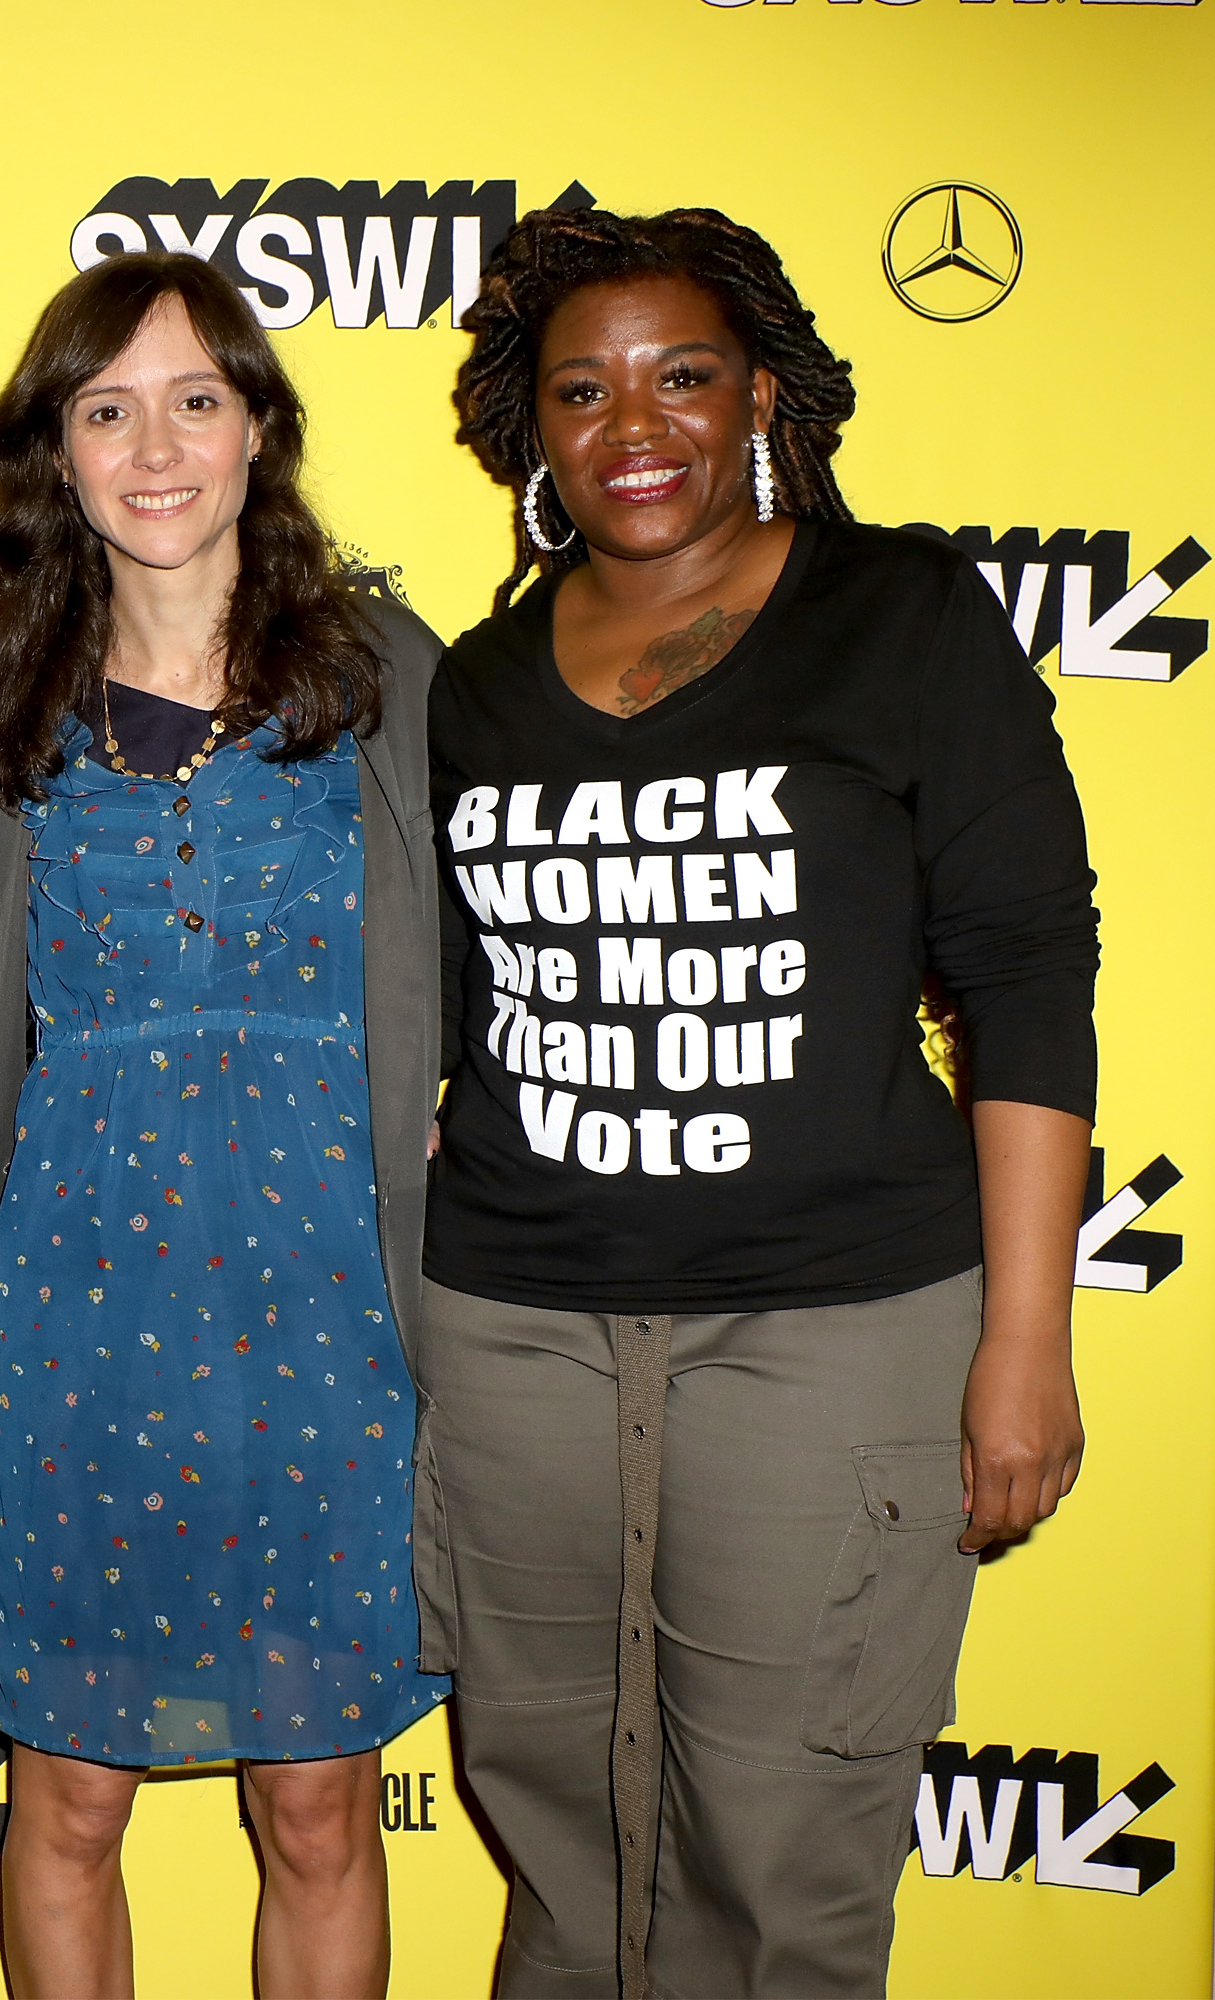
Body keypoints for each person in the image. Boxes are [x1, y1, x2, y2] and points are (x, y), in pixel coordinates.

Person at [426, 206, 1096, 1998]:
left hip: (834, 1324)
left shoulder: (902, 617)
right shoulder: (476, 684)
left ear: (763, 399)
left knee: (781, 1857)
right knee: (557, 1832)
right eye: (582, 389)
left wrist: (1026, 1337)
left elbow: (1026, 977)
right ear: (529, 428)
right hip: (510, 1333)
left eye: (683, 377)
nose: (633, 424)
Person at [0, 253, 449, 2000]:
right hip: (87, 1312)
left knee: (317, 1801)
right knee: (67, 1795)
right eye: (106, 410)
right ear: (58, 454)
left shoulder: (389, 671)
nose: (153, 448)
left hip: (330, 1308)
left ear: (258, 430)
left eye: (194, 400)